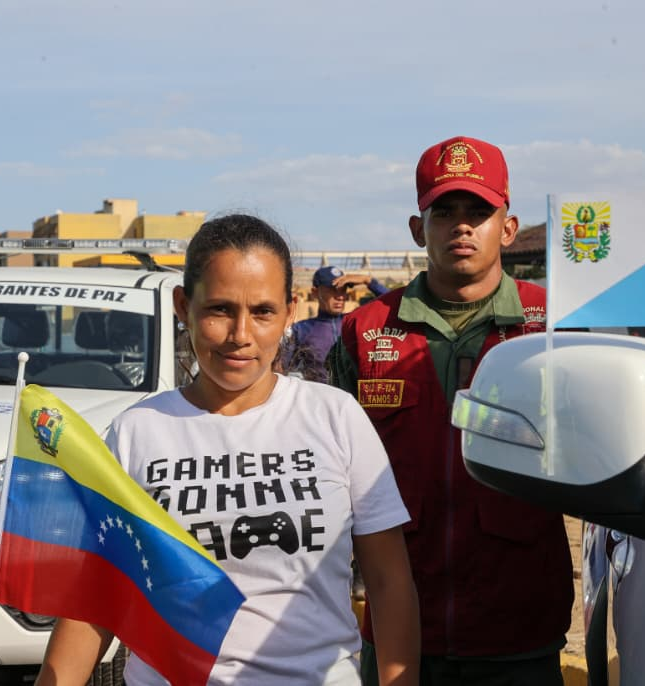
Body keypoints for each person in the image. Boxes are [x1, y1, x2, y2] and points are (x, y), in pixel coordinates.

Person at [36, 214, 422, 685]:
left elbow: (388, 582)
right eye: (219, 309)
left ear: (289, 311)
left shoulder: (335, 417)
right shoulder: (135, 432)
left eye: (262, 311)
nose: (241, 335)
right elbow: (94, 599)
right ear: (183, 306)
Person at [329, 136, 574, 686]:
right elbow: (331, 466)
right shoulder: (364, 332)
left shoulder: (554, 326)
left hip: (519, 628)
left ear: (507, 228)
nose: (462, 227)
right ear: (419, 230)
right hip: (400, 629)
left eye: (479, 212)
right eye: (444, 212)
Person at [284, 265, 388, 383]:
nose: (340, 296)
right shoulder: (301, 330)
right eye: (332, 290)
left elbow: (393, 305)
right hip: (318, 398)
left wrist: (368, 281)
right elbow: (282, 369)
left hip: (353, 399)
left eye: (343, 290)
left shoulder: (355, 322)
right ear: (315, 292)